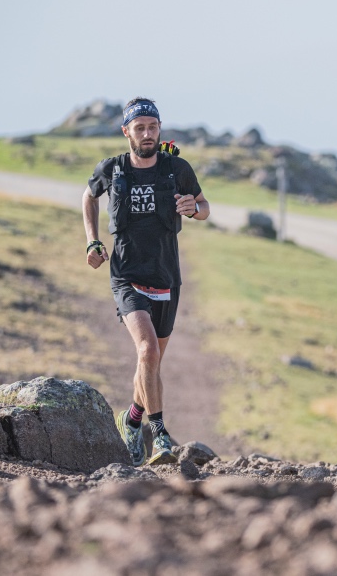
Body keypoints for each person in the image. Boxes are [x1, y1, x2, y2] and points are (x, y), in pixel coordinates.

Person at [82, 97, 209, 466]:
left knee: (150, 366)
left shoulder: (177, 169)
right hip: (127, 277)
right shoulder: (113, 169)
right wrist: (92, 240)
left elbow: (204, 206)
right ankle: (161, 434)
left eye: (153, 127)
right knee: (147, 351)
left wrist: (194, 209)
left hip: (168, 278)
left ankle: (132, 420)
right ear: (127, 132)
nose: (148, 134)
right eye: (140, 128)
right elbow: (88, 197)